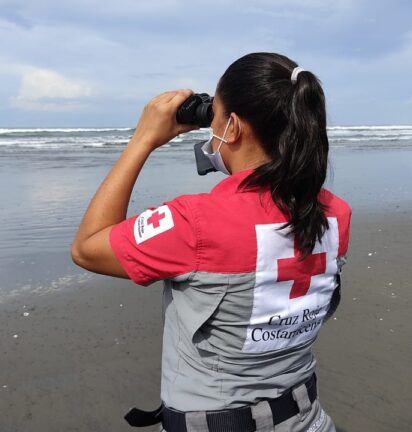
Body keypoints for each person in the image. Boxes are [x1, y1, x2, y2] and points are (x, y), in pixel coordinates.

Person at [71, 52, 350, 432]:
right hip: (307, 417)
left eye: (214, 115)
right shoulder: (335, 213)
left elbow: (87, 247)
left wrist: (142, 140)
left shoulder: (196, 223)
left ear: (232, 126)